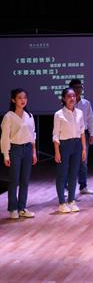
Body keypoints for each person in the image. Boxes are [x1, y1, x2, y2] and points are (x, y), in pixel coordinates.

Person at [1, 89, 37, 219]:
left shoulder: (29, 115)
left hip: (27, 149)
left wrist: (34, 152)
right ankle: (13, 208)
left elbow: (32, 135)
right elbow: (5, 137)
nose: (23, 100)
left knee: (24, 180)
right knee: (14, 180)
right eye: (19, 97)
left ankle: (22, 208)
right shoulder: (9, 116)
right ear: (13, 100)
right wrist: (6, 154)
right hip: (15, 149)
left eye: (25, 97)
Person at [53, 87, 87, 213]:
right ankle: (62, 203)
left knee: (73, 174)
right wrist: (57, 151)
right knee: (62, 174)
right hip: (64, 145)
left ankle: (71, 200)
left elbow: (82, 131)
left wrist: (84, 149)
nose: (72, 98)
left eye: (73, 96)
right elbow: (55, 135)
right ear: (63, 98)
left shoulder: (79, 113)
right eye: (69, 96)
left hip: (77, 144)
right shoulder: (59, 114)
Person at [68, 79, 93, 196]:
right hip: (70, 135)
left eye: (80, 87)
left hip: (83, 134)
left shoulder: (86, 103)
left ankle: (83, 186)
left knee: (83, 162)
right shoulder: (68, 103)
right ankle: (67, 187)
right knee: (70, 162)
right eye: (76, 87)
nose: (78, 90)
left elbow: (90, 119)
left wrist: (92, 133)